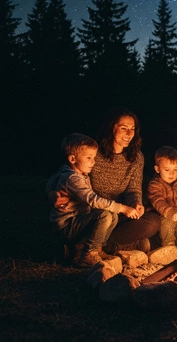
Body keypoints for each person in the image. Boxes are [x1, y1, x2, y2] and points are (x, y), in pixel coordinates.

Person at [48, 107, 161, 255]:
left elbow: (133, 189)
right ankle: (115, 245)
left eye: (132, 129)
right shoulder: (93, 153)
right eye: (123, 128)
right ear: (111, 128)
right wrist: (51, 194)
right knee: (104, 218)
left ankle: (102, 244)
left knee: (153, 222)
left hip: (118, 212)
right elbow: (62, 174)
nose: (129, 134)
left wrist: (135, 203)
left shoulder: (136, 157)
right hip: (92, 213)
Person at [47, 133, 140, 268]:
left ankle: (97, 249)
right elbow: (92, 199)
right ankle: (87, 255)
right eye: (89, 158)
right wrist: (122, 208)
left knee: (112, 215)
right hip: (66, 226)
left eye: (94, 157)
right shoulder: (73, 178)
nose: (93, 162)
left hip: (78, 220)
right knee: (105, 214)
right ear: (72, 159)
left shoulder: (75, 173)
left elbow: (52, 179)